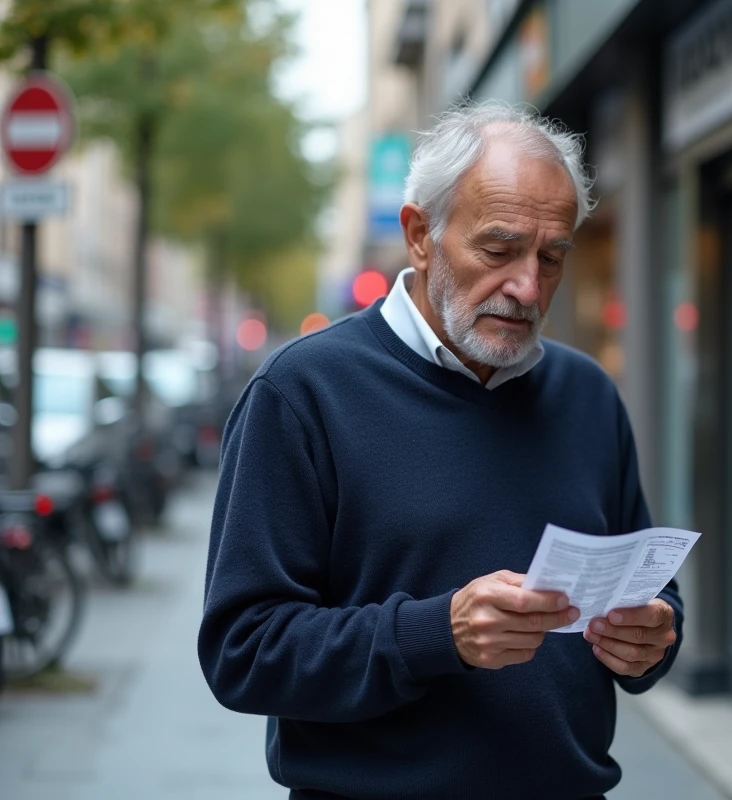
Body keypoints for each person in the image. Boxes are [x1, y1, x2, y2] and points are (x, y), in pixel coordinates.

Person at [197, 101, 684, 800]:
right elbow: (242, 652)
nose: (527, 286)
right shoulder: (302, 392)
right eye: (499, 249)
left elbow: (649, 587)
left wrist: (654, 635)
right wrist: (435, 634)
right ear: (420, 235)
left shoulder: (587, 395)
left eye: (551, 258)